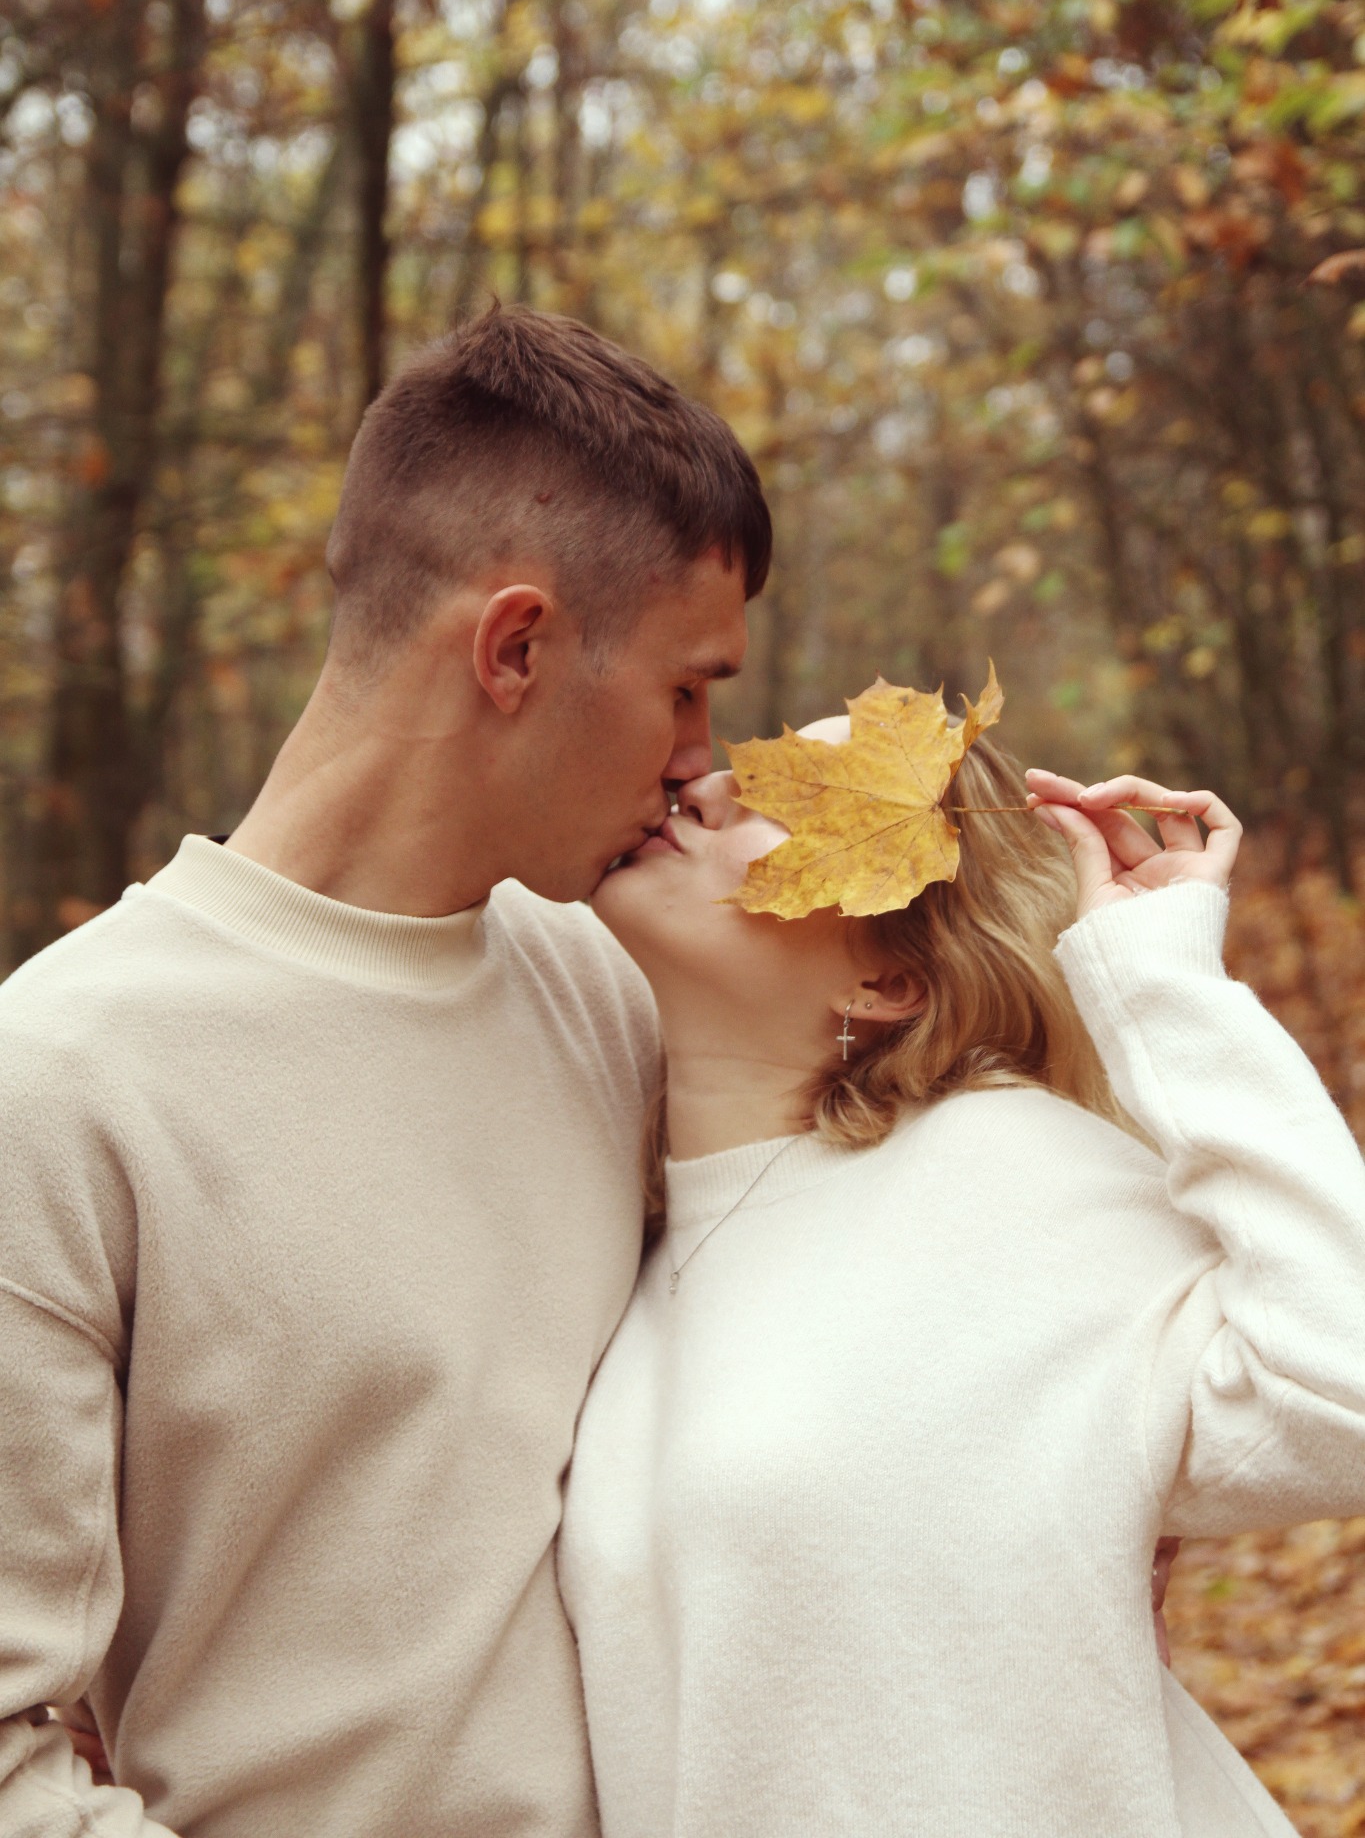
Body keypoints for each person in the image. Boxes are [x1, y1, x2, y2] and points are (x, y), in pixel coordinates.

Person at [0, 305, 769, 1838]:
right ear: (517, 648)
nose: (699, 759)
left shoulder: (626, 1000)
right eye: (687, 688)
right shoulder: (61, 1083)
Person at [559, 709, 1365, 1837]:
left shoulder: (1003, 1167)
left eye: (803, 804)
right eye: (758, 761)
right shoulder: (629, 1250)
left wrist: (1163, 981)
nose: (715, 789)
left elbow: (1347, 1386)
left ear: (887, 980)